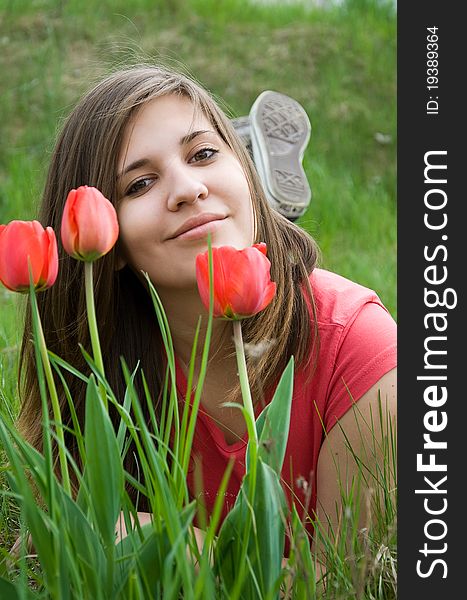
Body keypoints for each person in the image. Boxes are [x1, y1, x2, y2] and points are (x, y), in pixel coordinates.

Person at [17, 64, 397, 565]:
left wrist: (167, 544)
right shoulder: (93, 372)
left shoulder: (363, 351)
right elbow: (50, 554)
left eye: (202, 154)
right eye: (139, 184)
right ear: (108, 237)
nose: (187, 188)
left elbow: (349, 586)